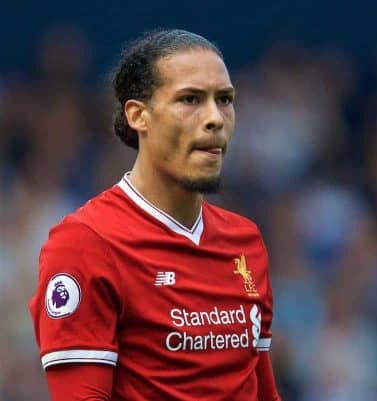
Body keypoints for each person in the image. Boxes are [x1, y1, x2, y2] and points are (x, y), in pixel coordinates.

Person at [29, 29, 281, 401]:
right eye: (190, 99)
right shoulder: (86, 242)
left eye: (225, 100)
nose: (214, 118)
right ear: (138, 116)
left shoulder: (245, 241)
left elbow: (261, 392)